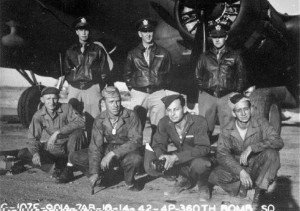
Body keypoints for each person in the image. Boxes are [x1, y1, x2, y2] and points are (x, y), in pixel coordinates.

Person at [208, 93, 284, 209]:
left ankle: (259, 193)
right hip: (238, 168)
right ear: (234, 113)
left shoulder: (260, 122)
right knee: (212, 175)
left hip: (256, 166)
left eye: (246, 109)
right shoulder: (227, 129)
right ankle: (241, 188)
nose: (243, 114)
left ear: (250, 109)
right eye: (239, 110)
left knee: (272, 154)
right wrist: (240, 172)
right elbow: (222, 154)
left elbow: (278, 141)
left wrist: (252, 147)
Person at [69, 86, 143, 191]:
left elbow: (136, 141)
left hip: (126, 151)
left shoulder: (131, 115)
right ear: (104, 103)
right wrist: (94, 172)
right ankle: (101, 176)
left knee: (135, 158)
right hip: (108, 148)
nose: (115, 105)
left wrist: (111, 154)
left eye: (118, 101)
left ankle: (129, 181)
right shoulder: (100, 119)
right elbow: (95, 146)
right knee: (75, 156)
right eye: (111, 102)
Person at [144, 94, 212, 200]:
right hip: (181, 158)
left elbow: (204, 148)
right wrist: (162, 156)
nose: (172, 114)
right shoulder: (165, 122)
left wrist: (176, 157)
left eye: (176, 109)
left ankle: (203, 186)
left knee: (200, 164)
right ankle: (184, 179)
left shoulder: (199, 121)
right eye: (169, 110)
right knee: (151, 164)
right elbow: (158, 144)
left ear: (184, 109)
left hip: (198, 157)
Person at [18, 87, 87, 183]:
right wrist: (35, 153)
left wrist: (58, 132)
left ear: (58, 98)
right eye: (48, 99)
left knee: (78, 133)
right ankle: (56, 168)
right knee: (23, 153)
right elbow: (32, 138)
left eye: (54, 98)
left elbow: (81, 122)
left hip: (70, 147)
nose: (51, 102)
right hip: (55, 149)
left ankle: (69, 169)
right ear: (42, 100)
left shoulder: (67, 108)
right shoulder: (38, 116)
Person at [123, 18, 176, 138]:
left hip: (158, 93)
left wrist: (161, 87)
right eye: (144, 31)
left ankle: (155, 152)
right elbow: (127, 74)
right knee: (136, 127)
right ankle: (136, 152)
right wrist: (132, 89)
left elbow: (169, 73)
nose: (148, 34)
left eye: (150, 31)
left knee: (158, 128)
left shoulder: (164, 53)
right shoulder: (132, 54)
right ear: (140, 34)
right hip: (138, 93)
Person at [195, 21, 247, 137]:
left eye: (220, 36)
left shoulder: (235, 56)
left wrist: (235, 94)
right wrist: (205, 89)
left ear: (226, 37)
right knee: (204, 128)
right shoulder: (204, 56)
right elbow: (198, 75)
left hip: (227, 96)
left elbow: (241, 76)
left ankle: (226, 152)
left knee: (228, 128)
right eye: (214, 37)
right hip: (208, 96)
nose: (217, 39)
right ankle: (203, 151)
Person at [64, 17, 110, 119]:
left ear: (89, 31)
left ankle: (91, 135)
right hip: (75, 88)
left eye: (86, 30)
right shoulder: (70, 50)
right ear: (77, 32)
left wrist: (97, 87)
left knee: (93, 120)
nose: (84, 32)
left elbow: (104, 71)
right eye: (81, 30)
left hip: (92, 87)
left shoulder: (98, 50)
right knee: (71, 118)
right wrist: (73, 84)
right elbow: (67, 70)